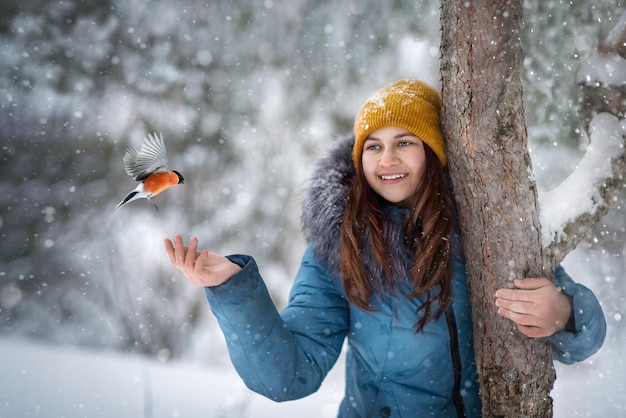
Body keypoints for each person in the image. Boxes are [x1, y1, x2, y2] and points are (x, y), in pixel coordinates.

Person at [164, 79, 606, 417]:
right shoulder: (339, 244)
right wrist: (235, 292)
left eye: (405, 143)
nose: (386, 159)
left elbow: (581, 343)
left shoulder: (489, 231)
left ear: (434, 153)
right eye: (373, 146)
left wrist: (565, 312)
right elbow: (288, 376)